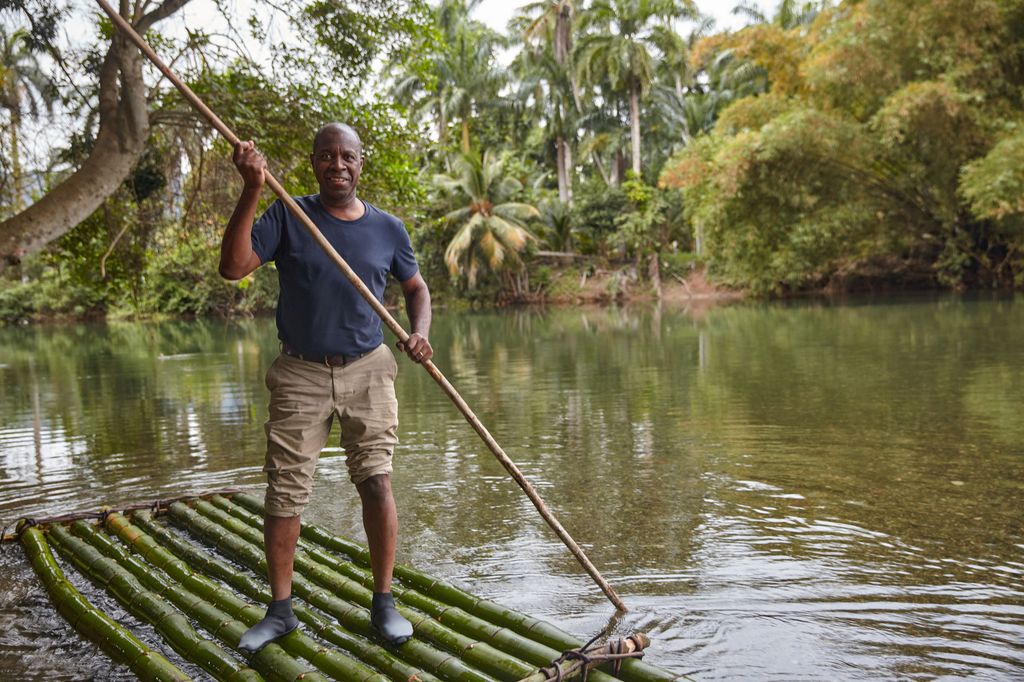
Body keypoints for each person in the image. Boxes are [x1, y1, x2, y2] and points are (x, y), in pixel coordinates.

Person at [219, 122, 433, 653]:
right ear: (313, 163)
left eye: (347, 156)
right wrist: (252, 186)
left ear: (362, 164)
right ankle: (281, 610)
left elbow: (416, 287)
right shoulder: (289, 214)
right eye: (326, 156)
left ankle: (383, 602)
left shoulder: (389, 229)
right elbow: (233, 267)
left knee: (377, 481)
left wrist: (420, 333)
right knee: (285, 492)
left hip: (369, 368)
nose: (338, 164)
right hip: (300, 374)